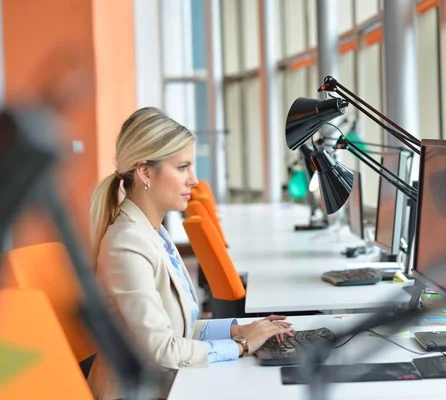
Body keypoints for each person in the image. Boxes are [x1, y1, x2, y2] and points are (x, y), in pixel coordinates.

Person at [87, 107, 293, 399]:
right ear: (146, 172)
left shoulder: (152, 232)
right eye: (182, 167)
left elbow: (176, 327)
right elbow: (162, 349)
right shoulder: (126, 243)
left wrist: (242, 330)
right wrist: (241, 347)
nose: (194, 180)